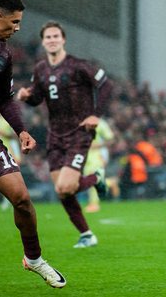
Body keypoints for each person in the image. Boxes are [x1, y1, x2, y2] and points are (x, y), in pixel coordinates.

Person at [0, 0, 65, 288]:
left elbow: (6, 99)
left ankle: (33, 259)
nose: (18, 28)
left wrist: (21, 129)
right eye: (15, 21)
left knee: (22, 199)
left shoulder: (3, 54)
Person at [17, 21, 113, 247]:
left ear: (63, 39)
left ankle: (97, 176)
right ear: (43, 42)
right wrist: (25, 97)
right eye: (47, 37)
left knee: (65, 187)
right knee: (63, 192)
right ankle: (87, 235)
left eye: (55, 36)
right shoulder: (40, 69)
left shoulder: (79, 65)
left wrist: (96, 114)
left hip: (79, 133)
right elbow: (37, 99)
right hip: (54, 136)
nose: (51, 40)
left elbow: (106, 86)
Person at [82, 118, 115, 212]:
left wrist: (99, 145)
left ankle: (94, 204)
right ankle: (110, 183)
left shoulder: (100, 123)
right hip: (84, 156)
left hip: (96, 155)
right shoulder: (80, 121)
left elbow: (111, 139)